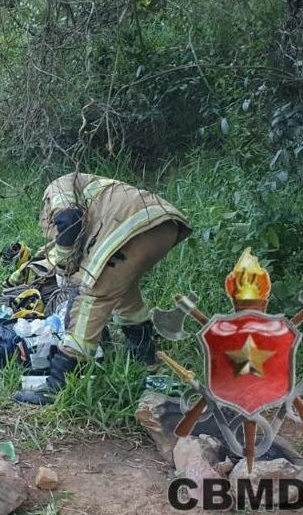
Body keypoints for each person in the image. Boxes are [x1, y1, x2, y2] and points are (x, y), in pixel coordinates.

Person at [14, 173, 191, 405]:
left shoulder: (56, 187)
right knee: (122, 291)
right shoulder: (87, 187)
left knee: (93, 294)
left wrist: (66, 262)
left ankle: (59, 384)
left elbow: (68, 219)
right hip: (163, 225)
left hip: (133, 227)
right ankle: (144, 357)